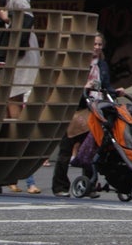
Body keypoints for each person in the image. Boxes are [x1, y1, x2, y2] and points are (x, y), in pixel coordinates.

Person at [54, 33, 111, 196]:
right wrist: (83, 86)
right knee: (66, 149)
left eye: (100, 45)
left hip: (94, 110)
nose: (97, 47)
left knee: (90, 149)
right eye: (94, 44)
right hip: (76, 110)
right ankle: (60, 186)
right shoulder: (78, 63)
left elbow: (106, 85)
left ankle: (89, 185)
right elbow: (67, 85)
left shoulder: (103, 65)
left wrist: (114, 92)